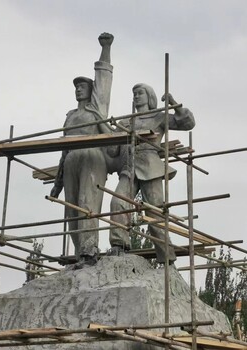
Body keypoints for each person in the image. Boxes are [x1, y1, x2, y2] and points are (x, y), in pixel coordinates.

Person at [109, 83, 195, 264]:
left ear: (149, 96)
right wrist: (112, 131)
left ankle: (167, 258)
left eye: (140, 93)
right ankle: (119, 244)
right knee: (117, 201)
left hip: (150, 166)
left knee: (155, 213)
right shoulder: (127, 121)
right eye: (134, 93)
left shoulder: (159, 116)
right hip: (130, 167)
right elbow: (112, 151)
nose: (136, 96)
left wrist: (174, 104)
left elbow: (187, 123)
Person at [50, 32, 114, 268]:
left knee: (87, 204)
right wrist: (57, 184)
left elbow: (104, 80)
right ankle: (80, 254)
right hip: (71, 161)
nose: (79, 89)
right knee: (72, 210)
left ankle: (89, 252)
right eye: (76, 86)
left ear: (91, 90)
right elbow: (63, 151)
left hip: (91, 157)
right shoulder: (70, 117)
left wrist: (105, 48)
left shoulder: (95, 111)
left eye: (83, 86)